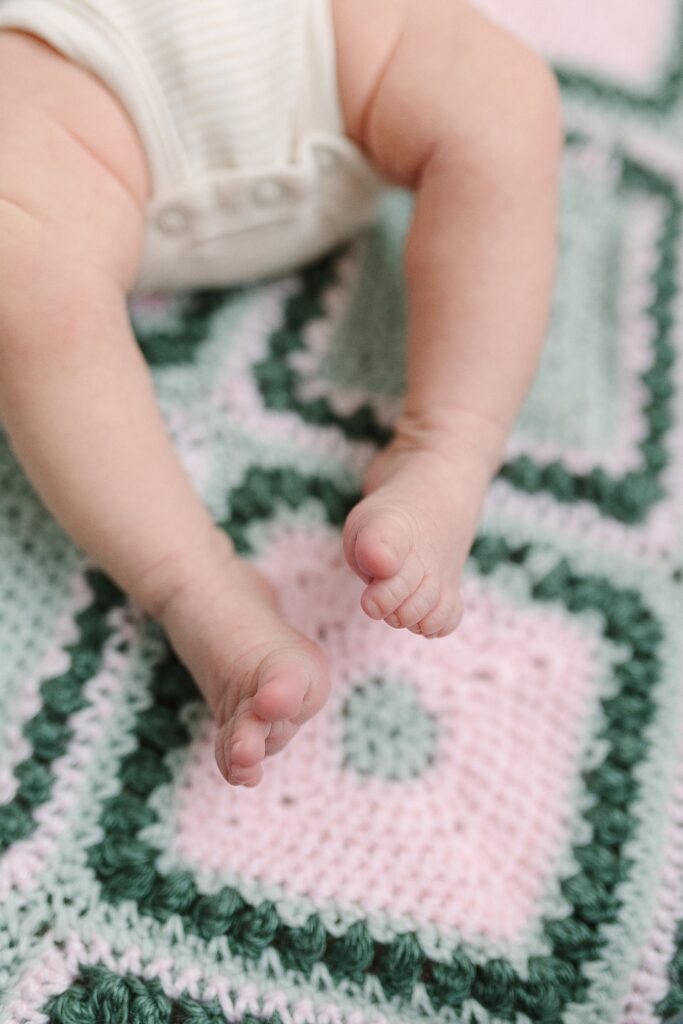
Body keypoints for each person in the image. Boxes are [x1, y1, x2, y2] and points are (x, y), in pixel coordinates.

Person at [0, 0, 562, 786]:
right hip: (76, 72)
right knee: (19, 273)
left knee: (505, 95)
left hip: (324, 38)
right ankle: (197, 588)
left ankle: (449, 446)